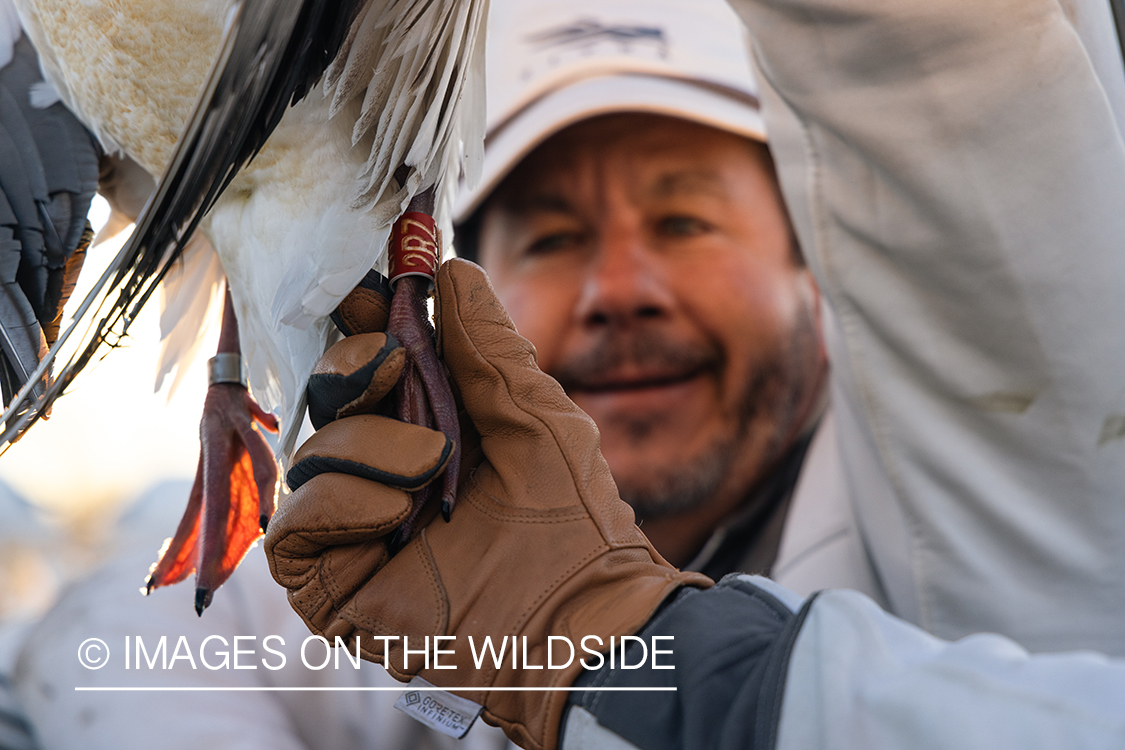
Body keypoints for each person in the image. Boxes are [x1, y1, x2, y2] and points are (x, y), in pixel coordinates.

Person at [262, 0, 1125, 747]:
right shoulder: (401, 592)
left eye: (683, 220)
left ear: (811, 263)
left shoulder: (1005, 527)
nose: (619, 292)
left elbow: (935, 76)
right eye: (554, 238)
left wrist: (596, 644)